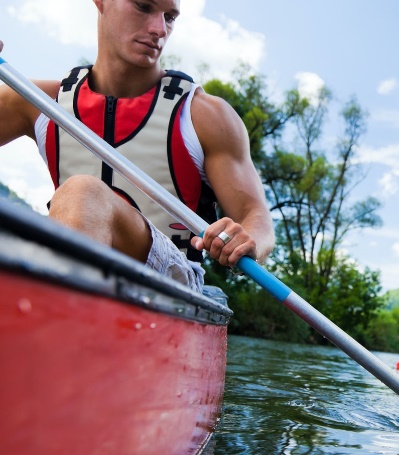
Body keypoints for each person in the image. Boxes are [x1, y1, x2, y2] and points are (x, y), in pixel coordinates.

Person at [0, 0, 274, 294]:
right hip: (65, 259)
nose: (159, 29)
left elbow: (256, 215)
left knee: (82, 192)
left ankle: (57, 318)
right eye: (144, 7)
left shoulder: (205, 116)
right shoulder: (39, 101)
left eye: (169, 17)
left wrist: (249, 240)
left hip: (172, 280)